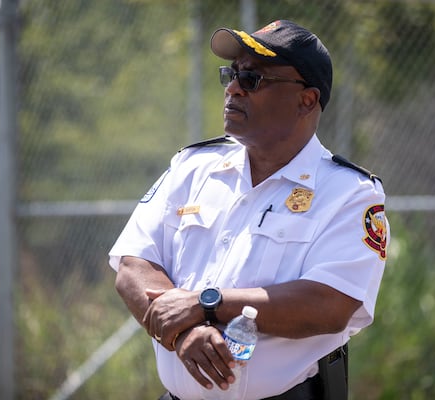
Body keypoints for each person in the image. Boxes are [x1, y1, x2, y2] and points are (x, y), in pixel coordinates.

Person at [109, 19, 389, 400]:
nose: (233, 88)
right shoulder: (193, 167)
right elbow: (134, 266)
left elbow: (330, 303)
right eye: (232, 74)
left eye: (253, 79)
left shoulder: (348, 193)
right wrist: (184, 332)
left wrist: (206, 304)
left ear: (306, 100)